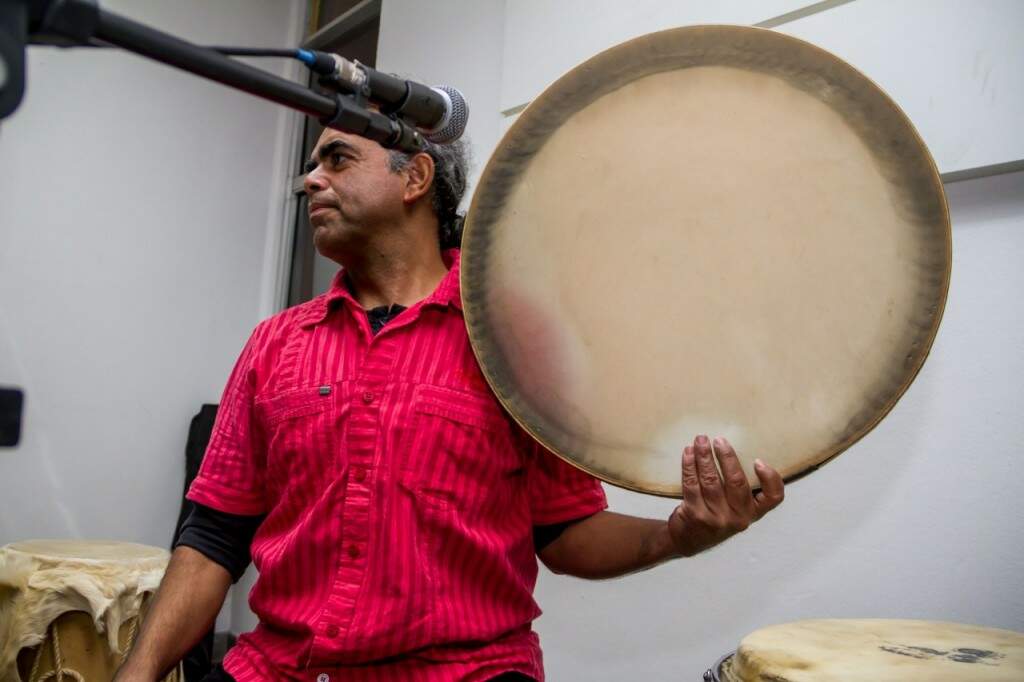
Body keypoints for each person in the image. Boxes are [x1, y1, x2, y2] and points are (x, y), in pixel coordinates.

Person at [115, 126, 785, 682]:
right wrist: (135, 676)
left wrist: (677, 536)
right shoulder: (275, 343)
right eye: (311, 166)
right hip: (280, 667)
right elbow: (211, 540)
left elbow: (564, 532)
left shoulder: (511, 342)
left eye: (337, 159)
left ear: (416, 178)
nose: (310, 180)